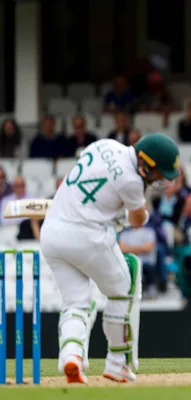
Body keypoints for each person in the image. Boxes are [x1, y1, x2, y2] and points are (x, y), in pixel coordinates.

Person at [40, 133, 181, 384]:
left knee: (76, 302)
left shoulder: (103, 145)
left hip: (52, 233)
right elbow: (138, 221)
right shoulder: (131, 182)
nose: (159, 179)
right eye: (158, 173)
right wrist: (126, 216)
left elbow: (94, 185)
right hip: (86, 237)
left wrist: (112, 212)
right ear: (144, 163)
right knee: (125, 286)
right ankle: (118, 364)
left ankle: (71, 356)